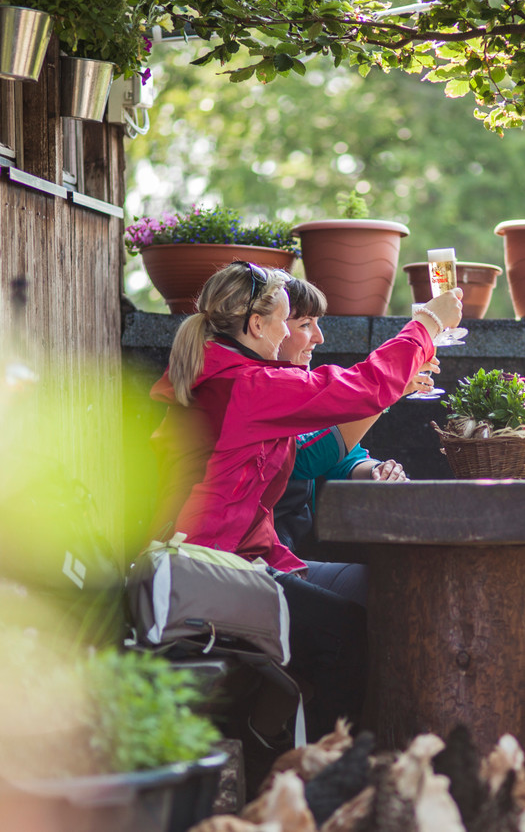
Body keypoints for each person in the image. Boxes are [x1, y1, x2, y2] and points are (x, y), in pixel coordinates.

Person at [152, 260, 463, 737]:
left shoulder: (231, 378)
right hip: (204, 569)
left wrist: (387, 390)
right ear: (257, 325)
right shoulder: (248, 385)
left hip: (219, 559)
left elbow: (315, 441)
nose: (297, 333)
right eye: (286, 319)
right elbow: (362, 387)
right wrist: (428, 324)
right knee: (343, 635)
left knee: (375, 594)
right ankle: (316, 770)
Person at [271, 277, 438, 606]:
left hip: (283, 556)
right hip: (254, 567)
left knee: (409, 582)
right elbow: (306, 456)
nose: (319, 337)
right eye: (305, 324)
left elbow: (343, 457)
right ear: (263, 326)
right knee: (398, 594)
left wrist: (376, 470)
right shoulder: (264, 386)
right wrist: (386, 393)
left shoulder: (298, 385)